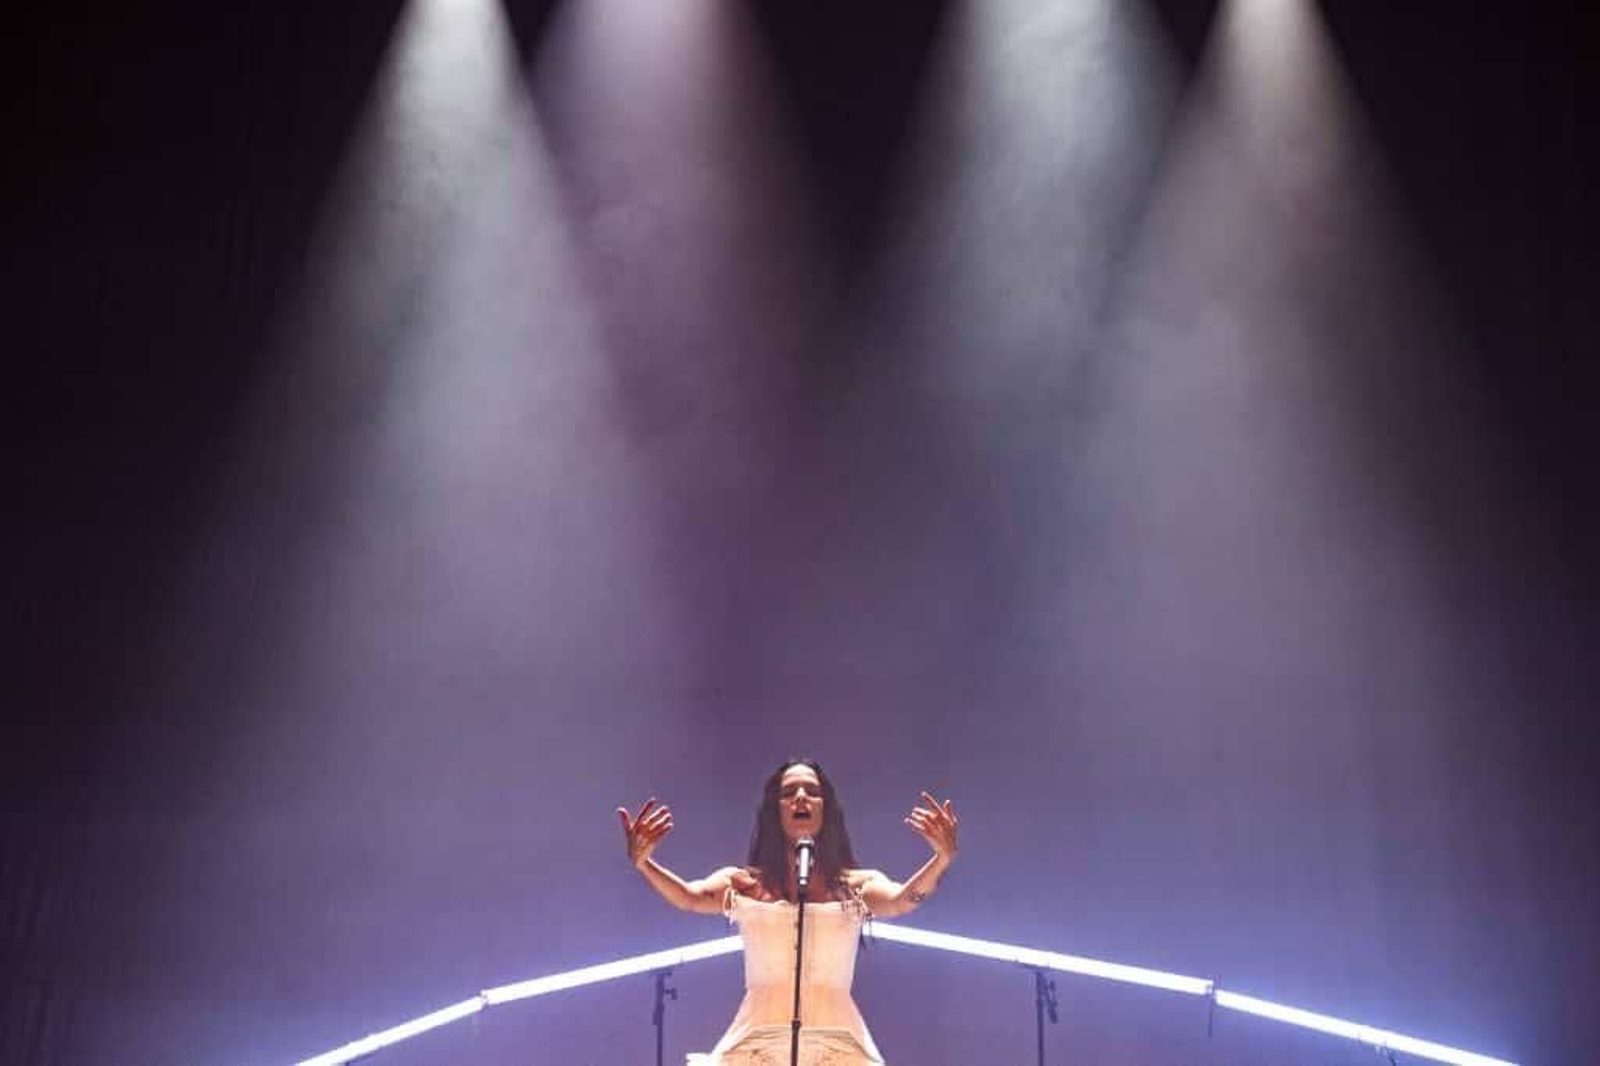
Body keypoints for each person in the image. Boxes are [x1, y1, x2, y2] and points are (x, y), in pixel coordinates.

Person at [617, 759, 959, 1065]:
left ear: (826, 809)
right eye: (788, 793)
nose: (800, 797)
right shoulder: (745, 883)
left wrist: (940, 860)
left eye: (812, 791)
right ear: (775, 811)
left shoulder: (856, 885)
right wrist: (645, 864)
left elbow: (901, 900)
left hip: (838, 1044)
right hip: (756, 1044)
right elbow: (689, 897)